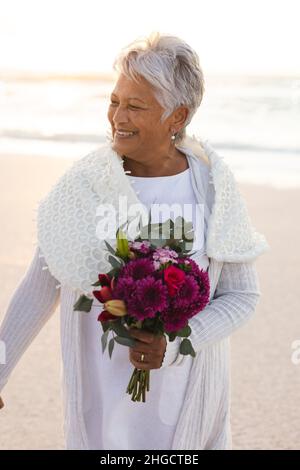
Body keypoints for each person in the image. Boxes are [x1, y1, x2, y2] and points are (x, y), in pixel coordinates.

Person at [0, 32, 269, 449]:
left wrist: (180, 341)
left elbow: (242, 296)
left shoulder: (214, 189)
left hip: (184, 410)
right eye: (114, 101)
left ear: (176, 117)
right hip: (101, 405)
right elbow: (41, 284)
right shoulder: (84, 185)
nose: (117, 117)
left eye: (135, 106)